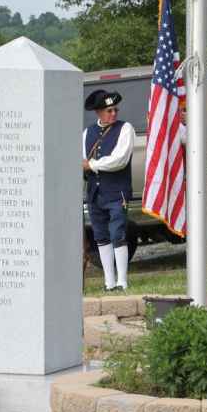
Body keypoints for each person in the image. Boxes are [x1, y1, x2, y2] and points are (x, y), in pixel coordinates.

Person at [83, 89, 135, 291]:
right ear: (98, 112)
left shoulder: (125, 128)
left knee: (118, 234)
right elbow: (81, 160)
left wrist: (92, 165)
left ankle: (122, 280)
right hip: (95, 192)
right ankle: (109, 281)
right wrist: (84, 167)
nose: (113, 114)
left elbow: (119, 160)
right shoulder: (88, 133)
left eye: (115, 109)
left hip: (116, 191)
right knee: (101, 236)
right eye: (109, 110)